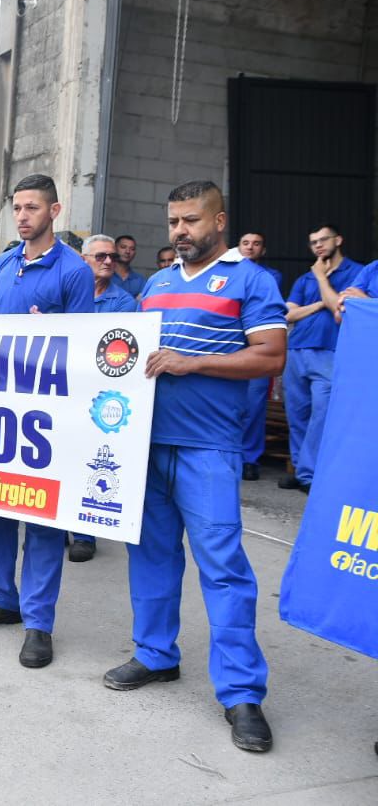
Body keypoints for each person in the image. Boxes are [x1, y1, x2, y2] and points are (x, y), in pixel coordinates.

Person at [106, 179, 286, 754]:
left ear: (219, 221)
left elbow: (269, 355)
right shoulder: (156, 283)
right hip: (146, 443)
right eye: (174, 222)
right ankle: (155, 655)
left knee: (223, 567)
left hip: (208, 446)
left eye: (191, 221)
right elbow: (128, 350)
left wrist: (194, 362)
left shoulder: (251, 280)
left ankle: (240, 693)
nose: (180, 231)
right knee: (151, 556)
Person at [0, 174, 94, 670]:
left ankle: (38, 622)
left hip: (48, 413)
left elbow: (82, 348)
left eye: (32, 207)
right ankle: (1, 598)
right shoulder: (8, 262)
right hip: (0, 408)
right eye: (17, 207)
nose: (21, 216)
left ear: (54, 212)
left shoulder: (74, 271)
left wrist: (45, 333)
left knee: (41, 520)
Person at [66, 236, 137, 562]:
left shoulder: (123, 303)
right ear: (84, 259)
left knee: (90, 460)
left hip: (100, 394)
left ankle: (84, 533)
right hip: (66, 387)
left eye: (112, 256)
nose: (109, 261)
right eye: (101, 256)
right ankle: (57, 526)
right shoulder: (67, 294)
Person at [278, 224, 362, 493]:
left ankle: (309, 473)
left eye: (323, 240)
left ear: (338, 239)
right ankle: (301, 469)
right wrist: (319, 302)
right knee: (297, 414)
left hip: (330, 351)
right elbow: (288, 315)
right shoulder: (305, 279)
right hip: (297, 351)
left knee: (321, 416)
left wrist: (322, 280)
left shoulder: (357, 273)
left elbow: (340, 306)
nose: (318, 246)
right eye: (313, 242)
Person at [236, 232, 284, 481]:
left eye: (256, 244)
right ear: (238, 247)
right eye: (245, 243)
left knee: (254, 409)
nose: (250, 247)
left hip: (256, 353)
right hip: (228, 352)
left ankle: (249, 459)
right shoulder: (228, 273)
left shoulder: (269, 277)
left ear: (262, 250)